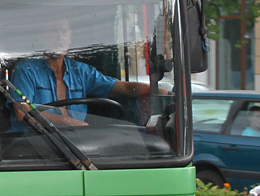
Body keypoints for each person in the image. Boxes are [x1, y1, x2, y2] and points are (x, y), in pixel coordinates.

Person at [10, 16, 155, 127]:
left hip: (76, 142)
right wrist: (65, 121)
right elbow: (22, 111)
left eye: (64, 31)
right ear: (40, 37)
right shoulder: (26, 70)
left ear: (70, 37)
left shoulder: (80, 71)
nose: (60, 36)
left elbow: (124, 87)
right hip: (32, 143)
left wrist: (162, 91)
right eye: (53, 31)